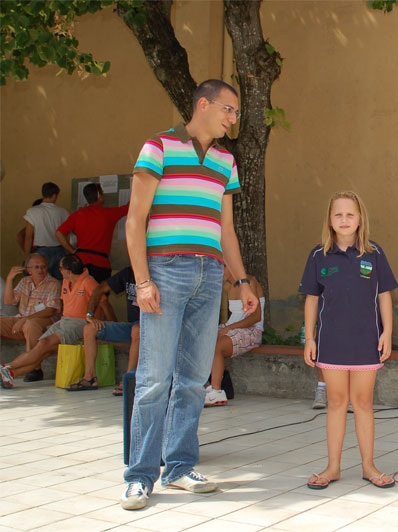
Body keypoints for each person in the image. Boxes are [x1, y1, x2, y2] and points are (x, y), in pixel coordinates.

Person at [121, 79, 257, 511]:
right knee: (153, 379)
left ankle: (179, 467)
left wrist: (242, 280)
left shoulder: (225, 161)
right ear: (203, 104)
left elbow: (227, 230)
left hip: (209, 274)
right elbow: (134, 220)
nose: (233, 118)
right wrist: (143, 281)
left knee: (194, 381)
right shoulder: (157, 146)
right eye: (229, 109)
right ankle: (140, 477)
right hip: (164, 271)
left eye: (236, 112)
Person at [300, 191, 398, 489]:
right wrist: (310, 338)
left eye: (350, 214)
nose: (344, 220)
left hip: (366, 342)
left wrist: (387, 333)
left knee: (363, 402)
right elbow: (311, 300)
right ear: (329, 220)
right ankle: (333, 467)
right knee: (336, 402)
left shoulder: (374, 253)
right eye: (338, 214)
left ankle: (369, 466)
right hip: (331, 342)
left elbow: (385, 296)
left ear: (360, 219)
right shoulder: (319, 255)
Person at [0, 254, 109, 388]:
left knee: (43, 344)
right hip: (64, 321)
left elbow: (104, 303)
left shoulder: (88, 281)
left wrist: (109, 326)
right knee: (42, 350)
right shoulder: (65, 281)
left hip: (80, 322)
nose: (59, 270)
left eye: (60, 268)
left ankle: (6, 367)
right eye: (36, 267)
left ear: (68, 271)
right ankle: (10, 373)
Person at [67, 266, 140, 392]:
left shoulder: (161, 272)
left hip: (153, 327)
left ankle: (130, 380)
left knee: (136, 330)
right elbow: (100, 289)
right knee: (90, 329)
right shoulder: (129, 272)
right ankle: (89, 378)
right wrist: (90, 315)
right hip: (132, 325)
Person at [205, 265, 265, 406]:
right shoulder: (228, 285)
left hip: (252, 330)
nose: (218, 272)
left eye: (221, 268)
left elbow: (255, 317)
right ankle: (205, 385)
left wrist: (227, 329)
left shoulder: (249, 282)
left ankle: (217, 392)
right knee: (199, 338)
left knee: (217, 346)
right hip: (232, 328)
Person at [0, 254, 62, 377]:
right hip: (21, 322)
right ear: (29, 270)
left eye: (43, 267)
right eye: (36, 267)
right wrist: (9, 279)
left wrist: (25, 319)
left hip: (44, 322)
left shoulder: (53, 283)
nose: (40, 270)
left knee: (31, 324)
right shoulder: (24, 282)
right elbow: (8, 301)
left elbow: (51, 311)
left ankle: (35, 369)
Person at [56, 182, 129, 283]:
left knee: (81, 295)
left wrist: (72, 251)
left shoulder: (78, 214)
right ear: (99, 196)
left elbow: (59, 233)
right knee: (99, 295)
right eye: (102, 192)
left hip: (80, 262)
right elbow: (129, 207)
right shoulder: (109, 214)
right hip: (101, 263)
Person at [24, 182, 70, 280]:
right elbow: (67, 235)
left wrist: (27, 257)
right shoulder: (63, 212)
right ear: (54, 196)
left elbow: (28, 237)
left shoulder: (32, 212)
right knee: (59, 284)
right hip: (60, 252)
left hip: (41, 252)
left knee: (40, 284)